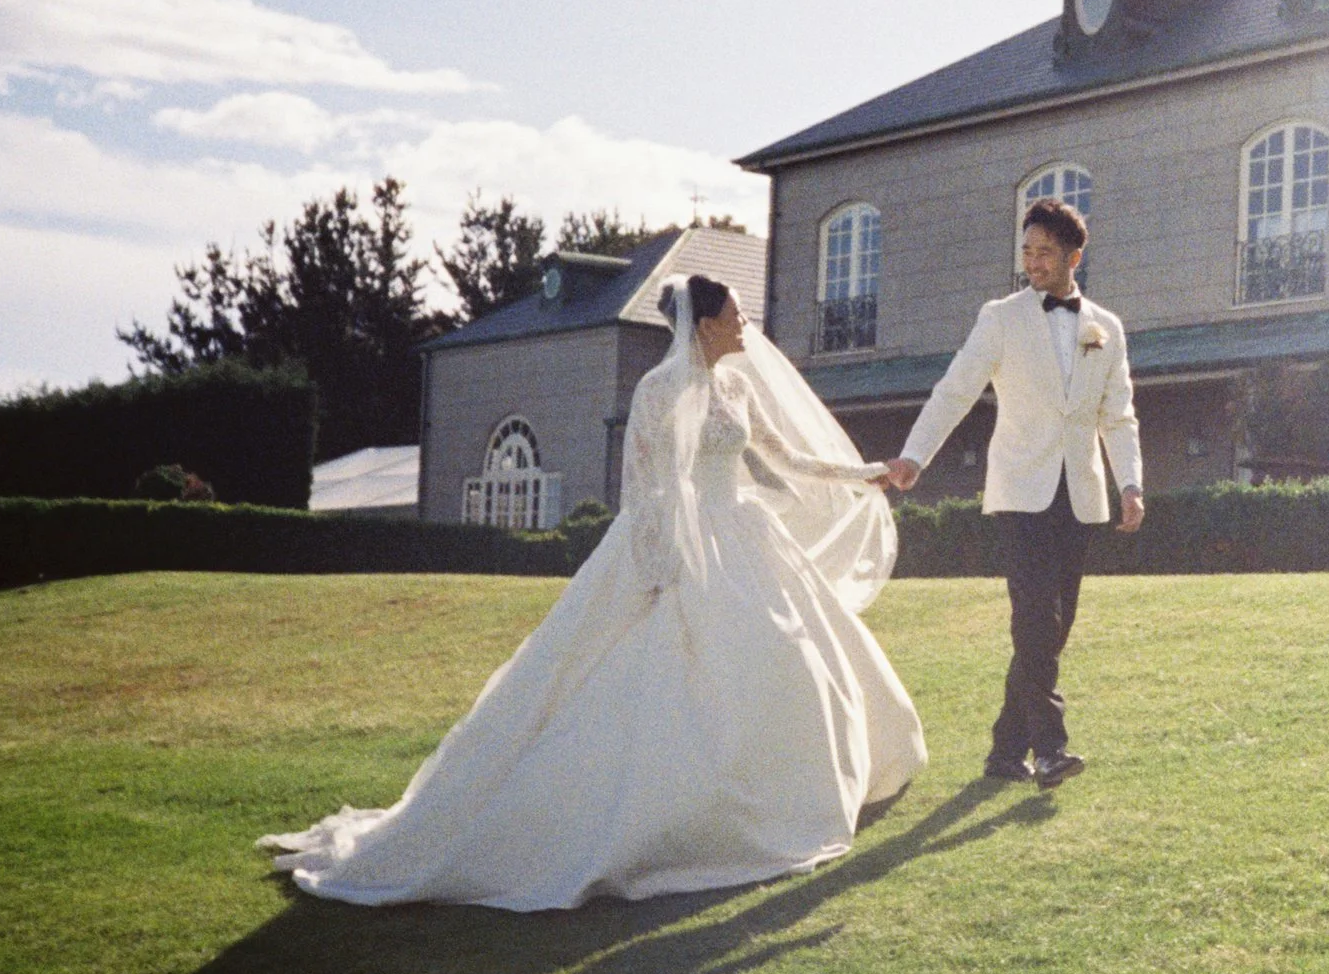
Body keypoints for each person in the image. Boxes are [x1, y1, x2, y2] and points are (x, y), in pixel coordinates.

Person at [260, 275, 925, 910]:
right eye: (738, 314)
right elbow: (641, 490)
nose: (747, 323)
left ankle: (797, 791)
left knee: (797, 657)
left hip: (744, 534)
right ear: (709, 322)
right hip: (681, 547)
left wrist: (867, 473)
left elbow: (786, 458)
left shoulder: (737, 389)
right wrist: (662, 568)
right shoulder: (658, 391)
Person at [885, 199, 1141, 789]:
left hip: (1080, 493)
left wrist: (1130, 483)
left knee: (1055, 627)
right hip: (1019, 489)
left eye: (1045, 253)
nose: (1033, 263)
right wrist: (915, 456)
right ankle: (1050, 748)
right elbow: (954, 392)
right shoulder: (1000, 318)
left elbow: (1119, 417)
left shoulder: (1109, 327)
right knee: (1034, 618)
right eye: (1026, 251)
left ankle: (1005, 751)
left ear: (1075, 257)